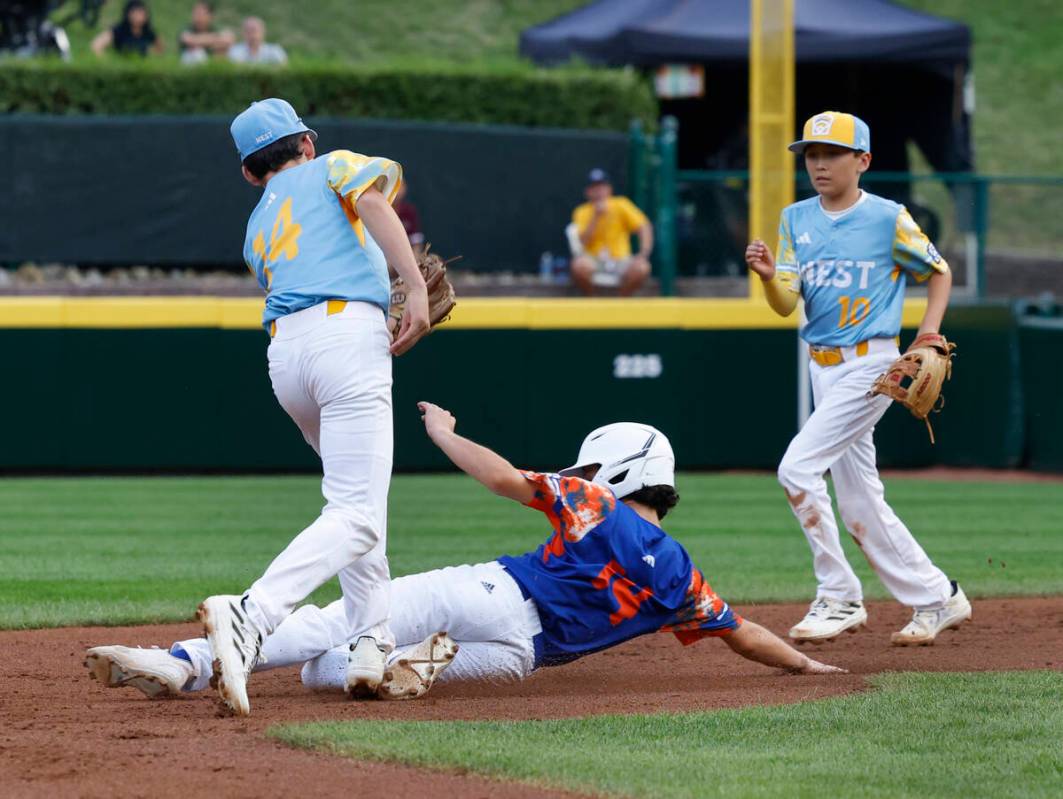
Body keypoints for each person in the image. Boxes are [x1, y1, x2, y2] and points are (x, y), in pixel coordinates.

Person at [85, 409, 843, 702]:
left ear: (615, 471)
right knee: (326, 674)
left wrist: (444, 431)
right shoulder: (682, 575)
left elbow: (505, 477)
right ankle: (391, 665)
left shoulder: (594, 504)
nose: (580, 479)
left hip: (492, 593)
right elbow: (742, 634)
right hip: (523, 653)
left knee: (338, 620)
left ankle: (184, 658)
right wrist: (808, 666)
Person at [194, 98, 431, 716]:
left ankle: (369, 644)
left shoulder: (254, 226)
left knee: (358, 504)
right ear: (307, 141)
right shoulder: (332, 166)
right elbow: (375, 202)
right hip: (344, 338)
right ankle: (252, 615)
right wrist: (410, 285)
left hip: (287, 357)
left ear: (249, 172)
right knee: (355, 513)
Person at [744, 110, 972, 647]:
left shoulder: (888, 217)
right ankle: (938, 597)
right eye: (811, 155)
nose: (818, 164)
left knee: (797, 469)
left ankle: (839, 596)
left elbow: (939, 272)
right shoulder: (796, 218)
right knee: (860, 500)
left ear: (862, 161)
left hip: (872, 365)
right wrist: (765, 277)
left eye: (831, 154)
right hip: (822, 365)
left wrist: (928, 334)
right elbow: (785, 303)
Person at [570, 169, 653, 296]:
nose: (599, 191)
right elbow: (583, 243)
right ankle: (593, 300)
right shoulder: (582, 211)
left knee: (642, 268)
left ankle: (621, 301)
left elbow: (644, 227)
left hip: (621, 260)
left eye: (602, 187)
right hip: (594, 260)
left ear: (609, 189)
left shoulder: (621, 204)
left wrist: (643, 254)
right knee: (579, 266)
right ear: (588, 192)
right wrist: (596, 217)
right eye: (594, 188)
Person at [91, 0, 163, 57]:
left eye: (141, 14)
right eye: (135, 14)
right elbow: (96, 45)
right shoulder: (119, 30)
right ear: (128, 14)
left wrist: (151, 53)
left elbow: (160, 49)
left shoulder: (148, 32)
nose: (138, 17)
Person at [178, 1, 233, 65]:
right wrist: (215, 39)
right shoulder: (187, 29)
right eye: (195, 13)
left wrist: (199, 40)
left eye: (201, 14)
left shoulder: (214, 29)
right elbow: (188, 40)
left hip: (212, 62)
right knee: (196, 51)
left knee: (222, 51)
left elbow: (228, 39)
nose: (197, 17)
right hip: (190, 64)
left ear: (210, 16)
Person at [393, 181, 425, 256]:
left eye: (400, 186)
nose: (398, 191)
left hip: (405, 256)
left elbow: (416, 243)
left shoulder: (409, 211)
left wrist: (414, 261)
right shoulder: (377, 210)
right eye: (394, 186)